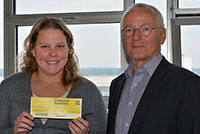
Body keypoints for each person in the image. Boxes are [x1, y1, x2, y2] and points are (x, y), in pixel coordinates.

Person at [0, 17, 107, 134]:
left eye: (60, 46)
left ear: (69, 50)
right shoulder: (9, 87)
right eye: (45, 46)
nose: (53, 53)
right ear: (33, 50)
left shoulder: (88, 92)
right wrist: (13, 132)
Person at [107, 3, 200, 134]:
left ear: (162, 36)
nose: (136, 37)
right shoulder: (117, 85)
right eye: (129, 30)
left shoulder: (188, 84)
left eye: (145, 29)